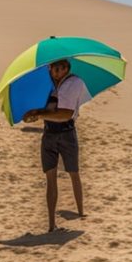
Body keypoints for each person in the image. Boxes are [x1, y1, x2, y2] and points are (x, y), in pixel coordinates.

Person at [24, 59, 89, 232]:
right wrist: (33, 113)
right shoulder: (46, 86)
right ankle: (51, 224)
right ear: (50, 69)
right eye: (54, 69)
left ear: (67, 68)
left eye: (61, 69)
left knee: (73, 172)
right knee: (50, 178)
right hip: (49, 134)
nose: (57, 72)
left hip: (67, 132)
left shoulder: (74, 82)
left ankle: (81, 212)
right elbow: (37, 110)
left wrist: (39, 114)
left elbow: (65, 115)